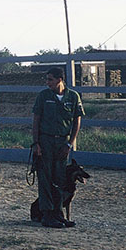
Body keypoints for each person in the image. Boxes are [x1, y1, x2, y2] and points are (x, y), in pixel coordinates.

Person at [32, 67, 85, 228]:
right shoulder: (43, 96)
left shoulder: (73, 97)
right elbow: (36, 120)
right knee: (45, 178)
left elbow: (77, 121)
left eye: (50, 79)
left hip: (62, 142)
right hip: (46, 141)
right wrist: (36, 144)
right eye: (47, 79)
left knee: (60, 178)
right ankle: (47, 214)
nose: (47, 83)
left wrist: (70, 144)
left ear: (60, 80)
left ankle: (58, 213)